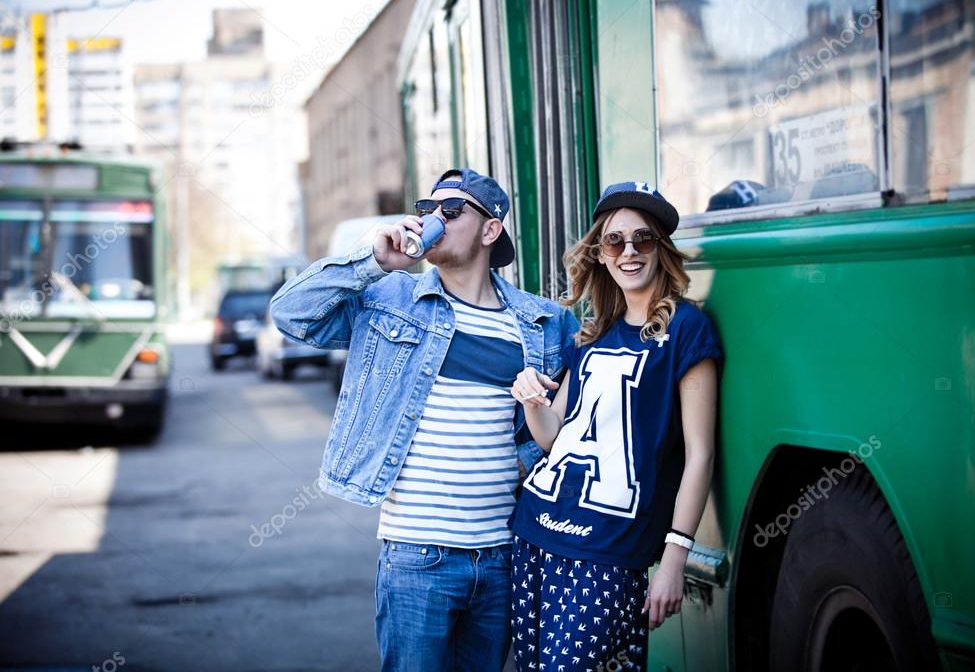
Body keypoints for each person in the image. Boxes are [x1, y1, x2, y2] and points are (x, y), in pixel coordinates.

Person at [269, 168, 579, 671]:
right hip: (417, 557)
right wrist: (372, 261)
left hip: (502, 556)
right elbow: (290, 314)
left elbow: (566, 432)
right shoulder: (388, 299)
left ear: (490, 230)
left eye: (451, 211)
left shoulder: (542, 323)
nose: (433, 218)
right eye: (425, 208)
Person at [507, 182, 721, 671]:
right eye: (614, 241)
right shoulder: (593, 334)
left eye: (642, 239)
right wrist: (532, 398)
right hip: (535, 534)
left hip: (610, 554)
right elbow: (551, 436)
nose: (629, 251)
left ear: (660, 249)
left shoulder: (686, 330)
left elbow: (700, 455)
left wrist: (674, 560)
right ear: (600, 255)